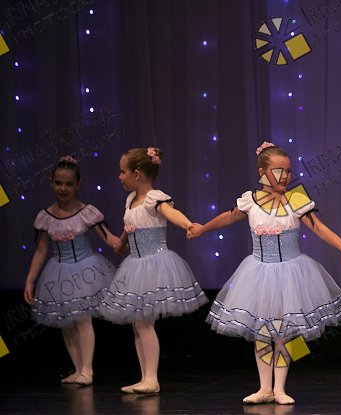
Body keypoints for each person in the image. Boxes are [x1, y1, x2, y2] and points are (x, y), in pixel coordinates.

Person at [190, 142, 341, 405]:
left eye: (288, 171)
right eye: (278, 171)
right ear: (261, 172)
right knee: (262, 332)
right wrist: (202, 229)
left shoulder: (296, 199)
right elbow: (228, 217)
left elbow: (320, 229)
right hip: (258, 272)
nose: (284, 176)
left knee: (285, 333)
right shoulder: (250, 200)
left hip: (291, 273)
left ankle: (280, 388)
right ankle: (264, 388)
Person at [100, 147, 208, 394]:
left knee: (144, 323)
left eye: (122, 172)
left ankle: (152, 379)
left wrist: (188, 225)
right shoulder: (130, 200)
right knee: (138, 324)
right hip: (135, 263)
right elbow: (130, 227)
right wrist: (120, 242)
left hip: (153, 264)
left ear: (137, 174)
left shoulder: (154, 198)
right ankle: (145, 377)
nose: (119, 176)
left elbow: (171, 213)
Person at [24, 156, 120, 385]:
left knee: (83, 319)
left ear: (78, 184)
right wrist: (30, 280)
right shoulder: (45, 216)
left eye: (68, 184)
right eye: (58, 183)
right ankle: (77, 369)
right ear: (51, 182)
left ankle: (87, 370)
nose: (63, 188)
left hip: (85, 270)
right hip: (58, 271)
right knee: (66, 323)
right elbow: (41, 250)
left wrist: (126, 239)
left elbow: (109, 239)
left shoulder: (87, 212)